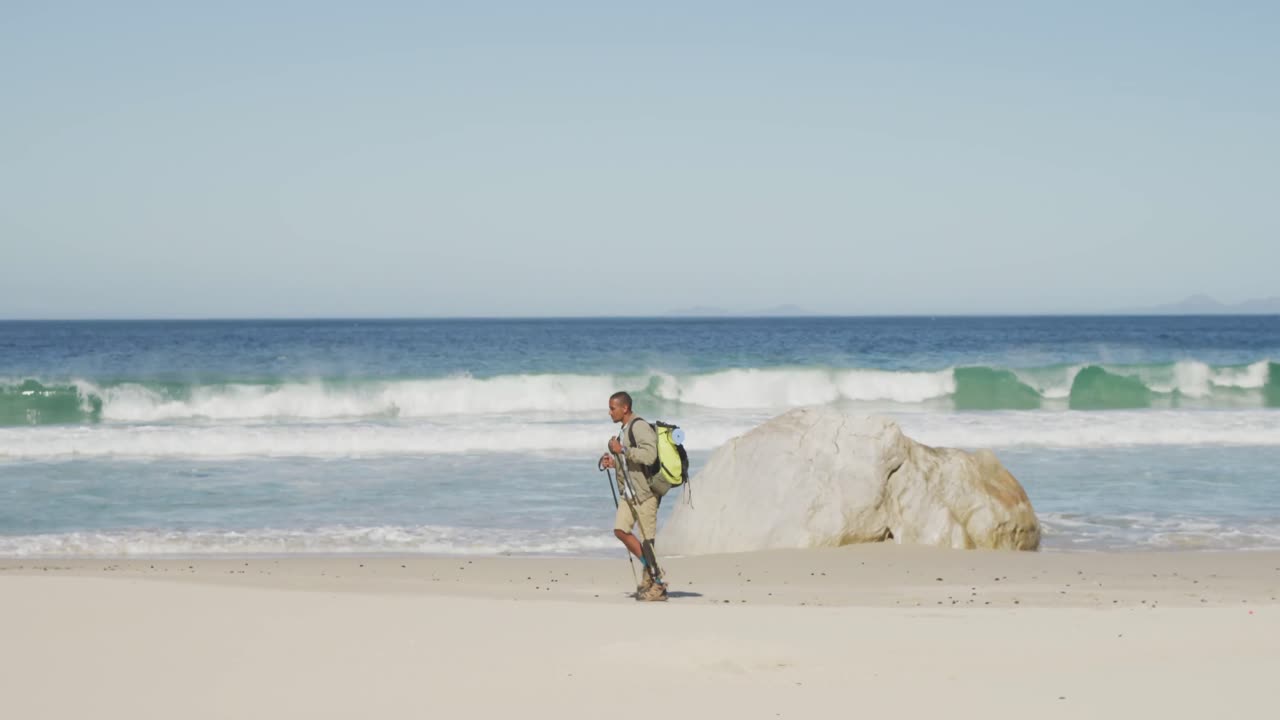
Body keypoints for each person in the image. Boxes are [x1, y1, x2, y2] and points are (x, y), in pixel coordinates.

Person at [599, 391, 668, 602]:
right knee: (620, 530)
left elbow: (649, 456)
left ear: (625, 408)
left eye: (612, 408)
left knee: (648, 541)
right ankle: (649, 569)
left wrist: (623, 450)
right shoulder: (625, 429)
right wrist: (614, 462)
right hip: (629, 494)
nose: (609, 412)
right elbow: (630, 461)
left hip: (645, 494)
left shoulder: (639, 426)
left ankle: (658, 585)